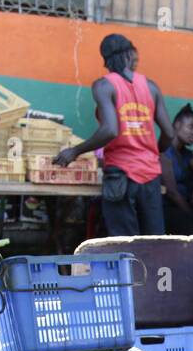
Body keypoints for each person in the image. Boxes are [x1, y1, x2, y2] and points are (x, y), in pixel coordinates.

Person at [54, 34, 172, 236]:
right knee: (154, 243)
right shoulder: (151, 87)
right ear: (129, 55)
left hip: (121, 176)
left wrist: (75, 151)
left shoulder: (104, 85)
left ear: (106, 61)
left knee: (124, 245)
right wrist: (153, 151)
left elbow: (110, 130)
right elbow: (169, 133)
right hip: (150, 176)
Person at [161, 104, 193, 235]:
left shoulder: (186, 154)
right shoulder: (164, 152)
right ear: (177, 124)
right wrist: (192, 214)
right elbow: (172, 193)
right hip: (169, 210)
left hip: (184, 208)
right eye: (191, 127)